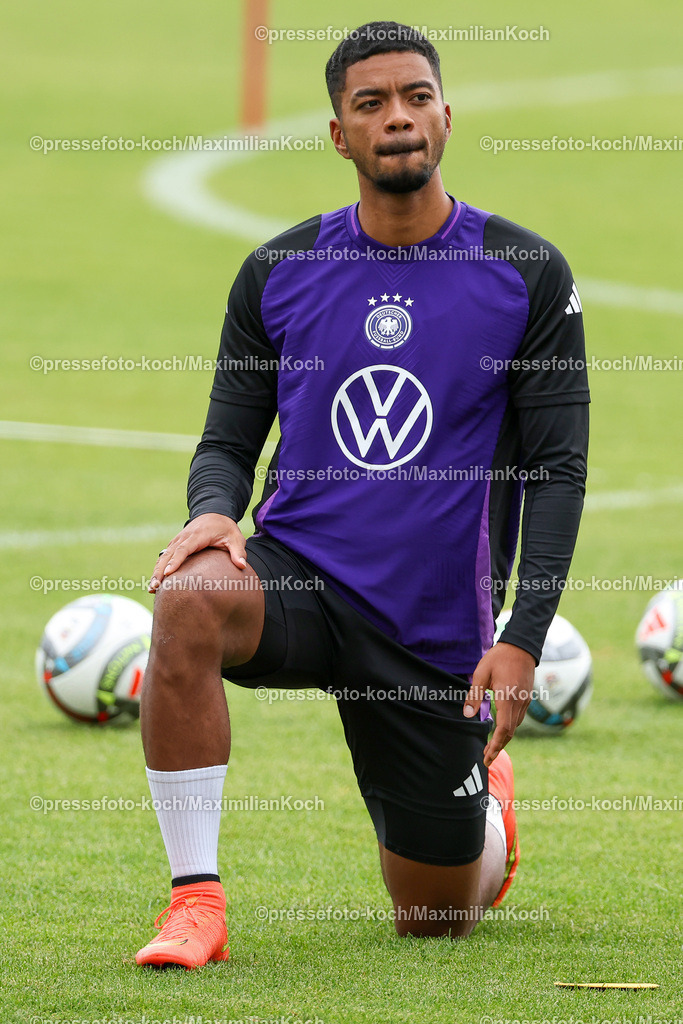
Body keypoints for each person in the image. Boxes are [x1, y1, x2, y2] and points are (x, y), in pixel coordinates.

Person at [135, 21, 589, 968]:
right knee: (187, 599)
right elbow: (226, 439)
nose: (398, 119)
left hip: (430, 627)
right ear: (339, 134)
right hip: (298, 579)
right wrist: (212, 511)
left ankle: (485, 806)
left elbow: (555, 470)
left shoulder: (525, 274)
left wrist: (521, 638)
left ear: (445, 117)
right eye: (371, 103)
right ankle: (195, 902)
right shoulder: (277, 272)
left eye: (415, 98)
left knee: (434, 922)